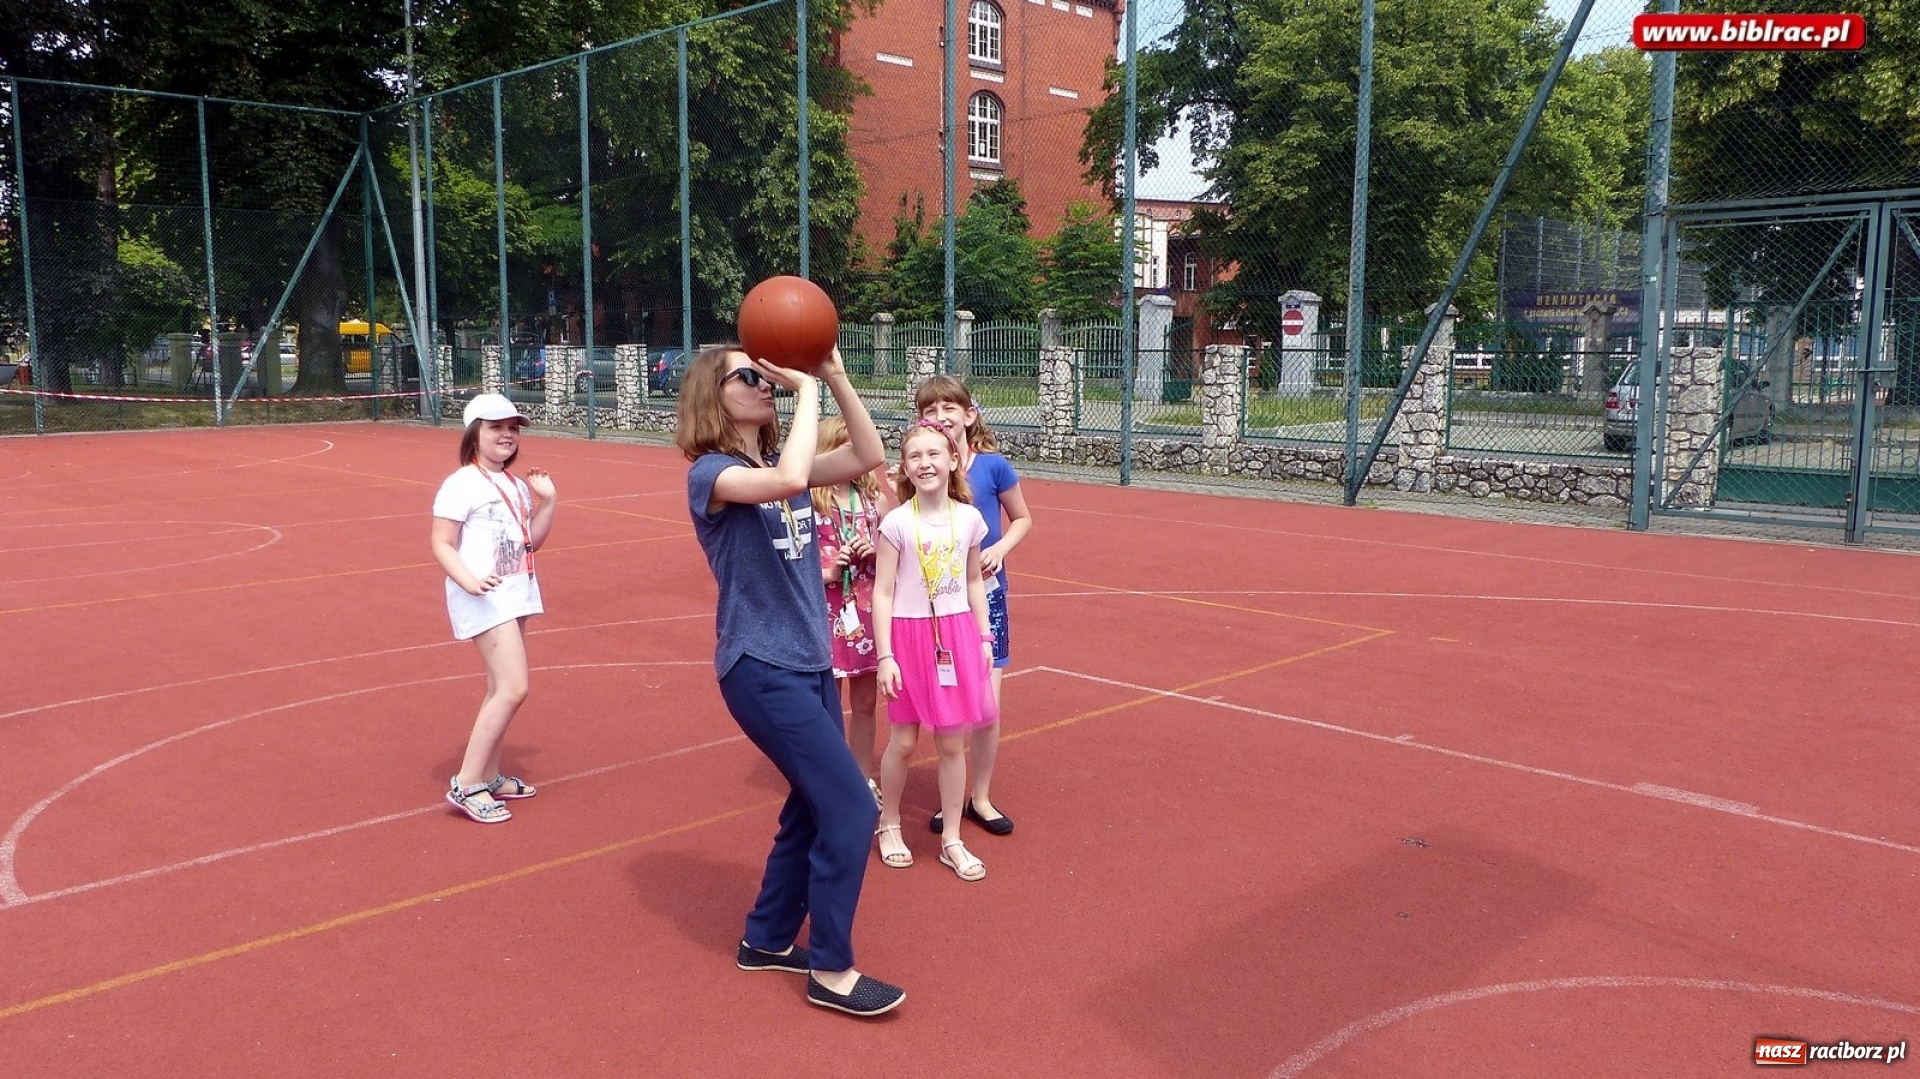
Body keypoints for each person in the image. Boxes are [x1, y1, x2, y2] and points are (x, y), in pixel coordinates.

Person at [676, 342, 905, 1018]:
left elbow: (865, 455)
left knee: (811, 807)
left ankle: (768, 938)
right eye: (749, 376)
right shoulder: (710, 474)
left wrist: (831, 375)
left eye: (765, 374)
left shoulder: (783, 467)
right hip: (759, 666)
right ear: (712, 398)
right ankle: (831, 968)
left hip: (809, 664)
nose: (764, 383)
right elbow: (784, 481)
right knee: (851, 807)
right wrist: (804, 393)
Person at [871, 422, 998, 882]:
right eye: (914, 456)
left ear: (952, 461)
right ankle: (889, 825)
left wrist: (985, 639)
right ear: (904, 467)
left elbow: (973, 581)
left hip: (957, 636)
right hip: (908, 637)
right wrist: (885, 655)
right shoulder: (896, 522)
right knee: (903, 742)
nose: (925, 463)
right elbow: (882, 592)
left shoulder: (969, 519)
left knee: (950, 741)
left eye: (933, 454)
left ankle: (952, 840)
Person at [430, 393, 557, 824]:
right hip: (486, 598)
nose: (507, 434)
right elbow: (441, 543)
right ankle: (467, 783)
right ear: (474, 434)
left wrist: (548, 503)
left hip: (516, 593)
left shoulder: (517, 486)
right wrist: (469, 581)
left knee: (498, 687)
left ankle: (488, 774)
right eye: (495, 427)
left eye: (513, 428)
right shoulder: (461, 483)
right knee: (513, 687)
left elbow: (529, 543)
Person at [914, 375, 1032, 837]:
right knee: (947, 704)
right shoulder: (925, 466)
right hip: (937, 603)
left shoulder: (994, 466)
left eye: (949, 408)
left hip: (986, 598)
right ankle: (950, 794)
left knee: (985, 707)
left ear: (969, 413)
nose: (941, 418)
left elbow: (1022, 518)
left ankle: (978, 797)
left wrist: (1000, 550)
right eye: (930, 411)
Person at [810, 417, 888, 805]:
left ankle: (860, 778)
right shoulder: (807, 501)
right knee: (826, 704)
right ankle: (828, 782)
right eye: (843, 449)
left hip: (867, 611)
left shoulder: (875, 501)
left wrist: (875, 552)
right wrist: (830, 570)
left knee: (865, 702)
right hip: (826, 611)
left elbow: (894, 557)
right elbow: (792, 564)